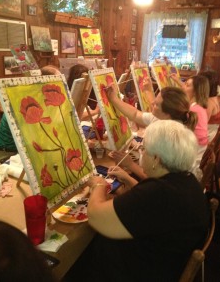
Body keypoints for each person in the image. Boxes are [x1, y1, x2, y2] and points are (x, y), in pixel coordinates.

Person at [65, 120, 209, 282]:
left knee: (77, 256)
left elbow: (96, 217)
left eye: (144, 149)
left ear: (156, 159)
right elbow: (145, 207)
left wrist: (98, 185)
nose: (141, 153)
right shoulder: (185, 181)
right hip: (163, 263)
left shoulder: (160, 193)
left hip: (140, 272)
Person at [107, 85, 198, 180]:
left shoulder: (170, 137)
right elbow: (135, 114)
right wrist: (114, 99)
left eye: (156, 104)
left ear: (167, 114)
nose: (152, 102)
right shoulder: (161, 119)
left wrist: (130, 164)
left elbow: (155, 179)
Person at [199, 69, 220, 141]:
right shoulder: (215, 97)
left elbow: (201, 127)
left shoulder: (208, 103)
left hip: (207, 137)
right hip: (212, 133)